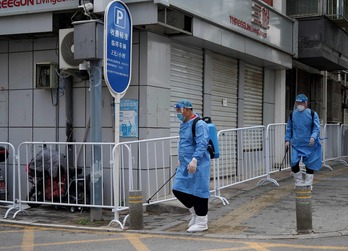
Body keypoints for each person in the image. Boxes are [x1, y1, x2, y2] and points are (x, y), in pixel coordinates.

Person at [172, 99, 211, 232]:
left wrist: (195, 159)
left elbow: (202, 143)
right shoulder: (184, 124)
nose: (177, 113)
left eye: (179, 110)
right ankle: (195, 214)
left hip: (198, 164)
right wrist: (181, 159)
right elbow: (184, 143)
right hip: (185, 164)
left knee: (199, 192)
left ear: (187, 109)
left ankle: (202, 222)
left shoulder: (199, 124)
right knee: (178, 188)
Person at [285, 94, 322, 188]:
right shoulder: (293, 115)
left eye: (301, 102)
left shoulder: (313, 114)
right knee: (294, 162)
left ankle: (308, 184)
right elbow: (289, 128)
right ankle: (299, 182)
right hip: (296, 144)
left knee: (310, 164)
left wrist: (313, 137)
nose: (299, 104)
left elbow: (316, 128)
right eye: (297, 102)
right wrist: (287, 139)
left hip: (310, 144)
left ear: (306, 103)